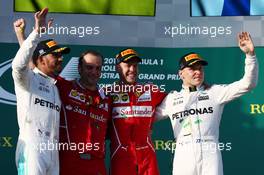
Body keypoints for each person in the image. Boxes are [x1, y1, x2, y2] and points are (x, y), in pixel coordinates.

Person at [155, 32, 258, 175]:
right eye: (192, 69)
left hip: (210, 152)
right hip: (184, 154)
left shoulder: (215, 92)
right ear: (181, 74)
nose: (198, 72)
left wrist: (250, 56)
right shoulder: (172, 99)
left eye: (200, 68)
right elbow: (146, 117)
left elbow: (248, 84)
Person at [12, 8, 70, 175]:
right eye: (55, 55)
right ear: (41, 59)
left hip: (53, 148)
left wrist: (21, 35)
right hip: (32, 147)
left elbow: (30, 62)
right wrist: (36, 33)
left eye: (61, 55)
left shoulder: (54, 86)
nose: (61, 58)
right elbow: (19, 65)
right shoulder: (27, 80)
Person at [108, 48, 166, 175]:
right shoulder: (108, 93)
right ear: (118, 67)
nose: (132, 70)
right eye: (128, 65)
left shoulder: (150, 89)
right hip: (121, 156)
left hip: (147, 157)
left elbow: (176, 102)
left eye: (135, 65)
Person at [58, 50, 112, 175]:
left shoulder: (107, 98)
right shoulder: (64, 87)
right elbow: (34, 71)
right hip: (69, 161)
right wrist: (21, 36)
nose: (94, 72)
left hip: (97, 164)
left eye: (98, 68)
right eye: (89, 67)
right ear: (79, 68)